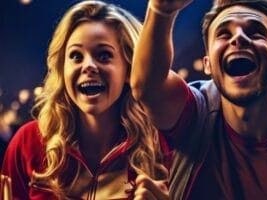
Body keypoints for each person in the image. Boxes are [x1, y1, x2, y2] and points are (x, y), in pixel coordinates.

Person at [131, 0, 267, 199]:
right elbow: (147, 87)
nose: (238, 37)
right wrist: (161, 11)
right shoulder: (193, 117)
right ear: (207, 64)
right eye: (224, 34)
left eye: (256, 31)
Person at [1, 1, 169, 199]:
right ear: (62, 69)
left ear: (129, 69)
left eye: (104, 55)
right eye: (75, 56)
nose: (88, 66)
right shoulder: (28, 142)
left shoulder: (161, 146)